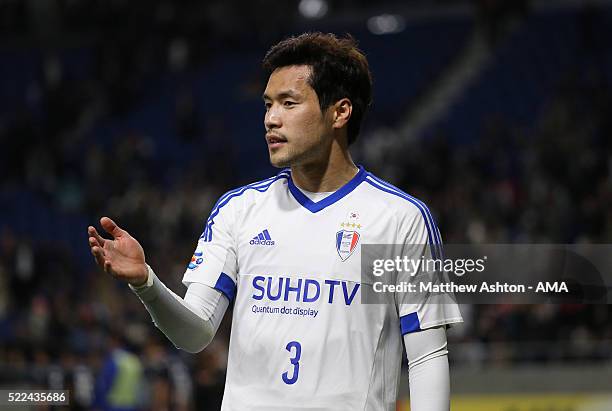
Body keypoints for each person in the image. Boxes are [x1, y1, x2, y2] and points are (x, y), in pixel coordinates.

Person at [88, 32, 462, 411]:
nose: (271, 119)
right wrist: (146, 283)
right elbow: (196, 333)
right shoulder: (238, 209)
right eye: (268, 105)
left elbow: (427, 356)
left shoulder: (399, 219)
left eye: (289, 103)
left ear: (340, 112)